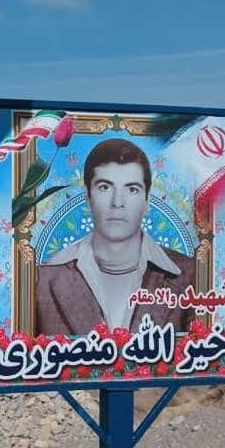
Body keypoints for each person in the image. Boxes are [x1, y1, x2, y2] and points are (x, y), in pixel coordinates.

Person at [35, 138, 195, 336]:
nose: (117, 202)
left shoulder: (191, 274)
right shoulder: (42, 279)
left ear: (147, 200)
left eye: (132, 189)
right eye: (105, 187)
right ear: (87, 195)